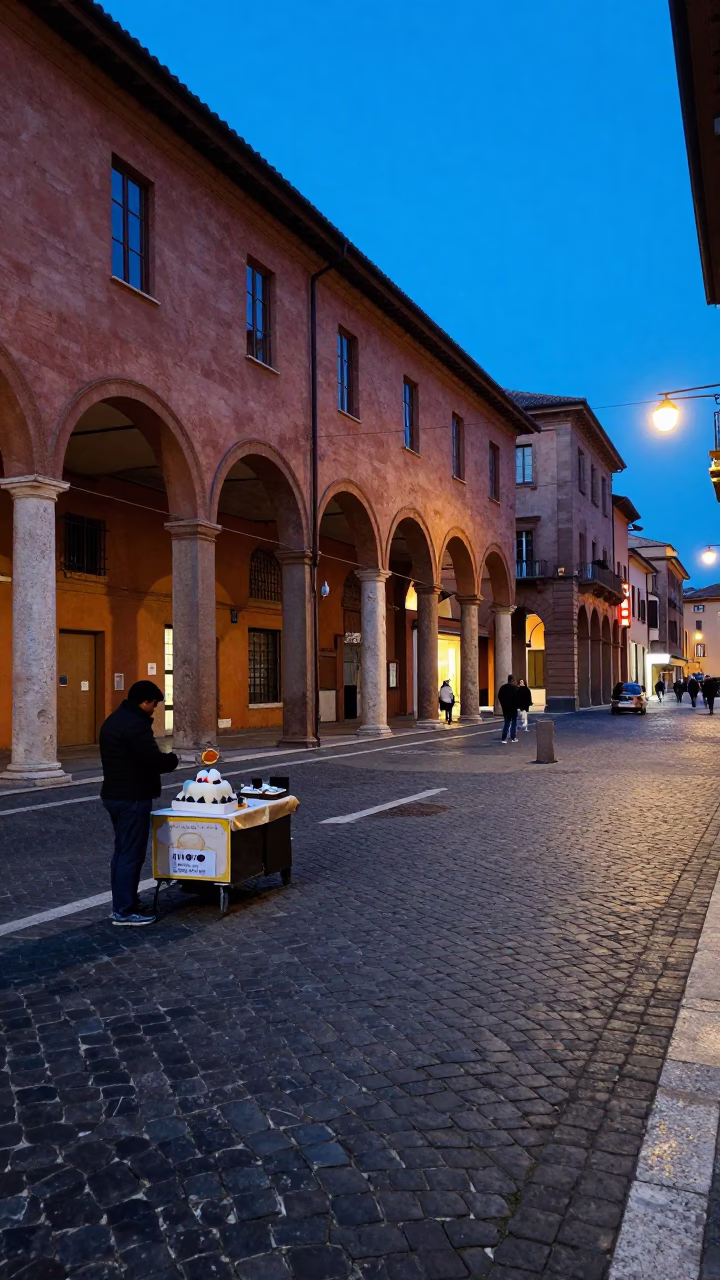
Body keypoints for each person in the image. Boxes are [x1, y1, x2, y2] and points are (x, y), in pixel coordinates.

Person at [99, 680, 179, 926]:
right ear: (145, 701)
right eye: (154, 704)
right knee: (131, 854)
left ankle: (125, 902)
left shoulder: (113, 720)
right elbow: (151, 760)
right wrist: (173, 760)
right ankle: (124, 910)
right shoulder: (135, 726)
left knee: (122, 851)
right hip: (132, 796)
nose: (154, 709)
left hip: (113, 794)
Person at [498, 674, 519, 743]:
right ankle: (513, 737)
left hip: (505, 708)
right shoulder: (515, 688)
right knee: (514, 722)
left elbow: (499, 696)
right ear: (513, 680)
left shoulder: (503, 688)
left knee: (507, 722)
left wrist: (503, 704)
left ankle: (504, 738)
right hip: (513, 708)